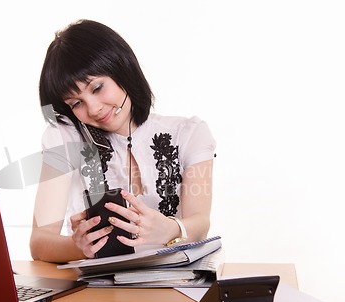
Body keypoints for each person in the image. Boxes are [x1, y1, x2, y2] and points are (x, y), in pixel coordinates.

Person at [30, 19, 216, 263]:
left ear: (122, 69)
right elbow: (40, 242)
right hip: (96, 292)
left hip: (174, 282)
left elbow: (200, 223)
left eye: (97, 88)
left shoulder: (189, 132)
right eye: (76, 103)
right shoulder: (65, 138)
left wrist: (170, 229)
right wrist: (80, 247)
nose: (94, 109)